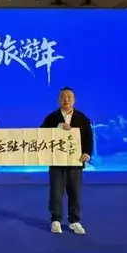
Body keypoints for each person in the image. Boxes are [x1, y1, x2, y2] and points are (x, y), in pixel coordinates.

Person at [40, 87, 93, 235]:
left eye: (69, 97)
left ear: (74, 100)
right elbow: (41, 134)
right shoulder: (51, 118)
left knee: (75, 192)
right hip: (56, 162)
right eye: (63, 97)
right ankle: (55, 220)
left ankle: (74, 221)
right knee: (56, 192)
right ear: (59, 100)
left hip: (75, 162)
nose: (66, 99)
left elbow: (89, 138)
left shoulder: (82, 118)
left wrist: (87, 153)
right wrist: (57, 128)